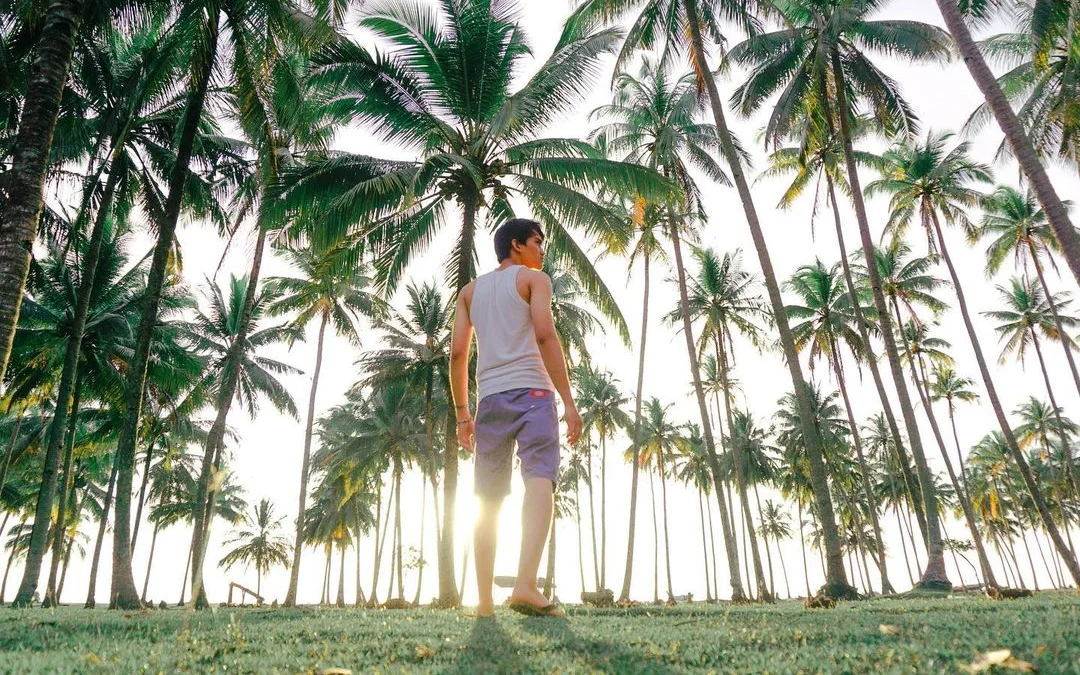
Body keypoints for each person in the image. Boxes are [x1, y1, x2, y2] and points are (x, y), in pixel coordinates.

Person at [449, 218, 582, 618]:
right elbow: (545, 335)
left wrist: (462, 415)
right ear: (516, 245)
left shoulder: (469, 292)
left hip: (489, 400)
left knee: (487, 498)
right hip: (534, 393)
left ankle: (485, 602)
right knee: (540, 477)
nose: (543, 250)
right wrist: (569, 402)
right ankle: (526, 585)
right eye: (537, 242)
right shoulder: (534, 281)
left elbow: (457, 354)